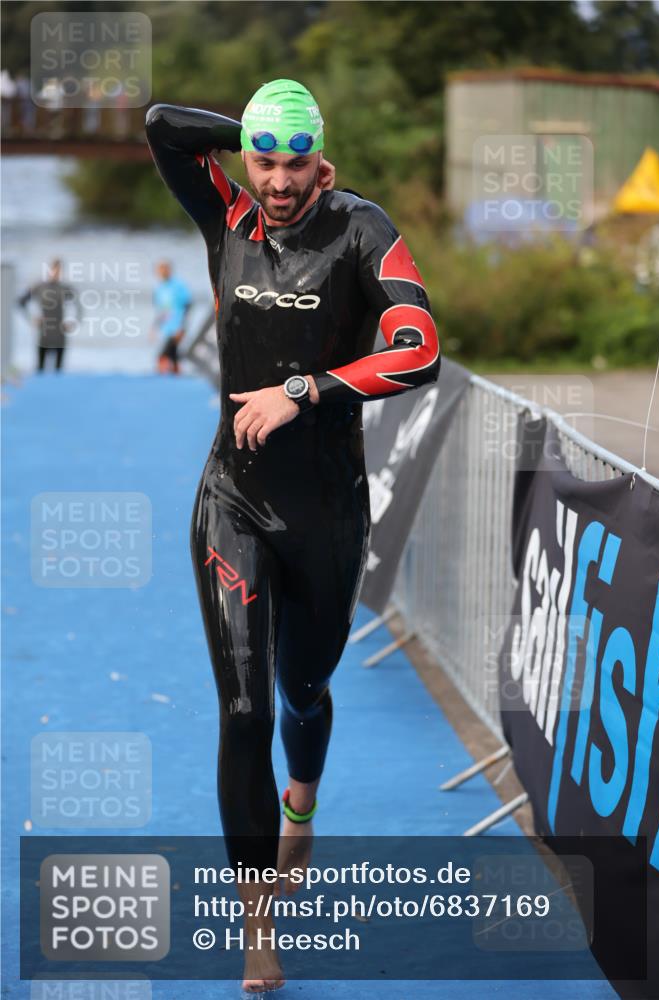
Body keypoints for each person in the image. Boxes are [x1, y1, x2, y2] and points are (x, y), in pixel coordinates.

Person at [145, 79, 441, 993]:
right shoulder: (225, 212)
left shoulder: (360, 229)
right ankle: (255, 921)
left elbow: (419, 347)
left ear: (325, 162)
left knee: (303, 690)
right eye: (263, 159)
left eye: (294, 159)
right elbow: (160, 124)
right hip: (231, 499)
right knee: (244, 710)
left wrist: (304, 391)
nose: (276, 179)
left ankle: (300, 804)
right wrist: (258, 123)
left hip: (325, 509)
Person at [17, 259, 80, 373]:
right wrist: (31, 318)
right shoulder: (40, 287)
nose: (56, 272)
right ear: (49, 269)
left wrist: (73, 322)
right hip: (44, 331)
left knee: (58, 371)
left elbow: (78, 306)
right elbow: (21, 302)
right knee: (40, 369)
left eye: (59, 270)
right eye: (54, 269)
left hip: (60, 332)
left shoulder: (65, 288)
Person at [151, 260, 193, 374]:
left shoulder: (178, 286)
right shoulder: (159, 289)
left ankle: (161, 375)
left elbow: (188, 305)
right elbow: (160, 311)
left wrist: (182, 326)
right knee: (173, 353)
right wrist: (154, 328)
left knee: (163, 355)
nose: (162, 273)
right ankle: (177, 374)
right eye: (160, 270)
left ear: (169, 270)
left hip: (178, 326)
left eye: (164, 270)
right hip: (167, 327)